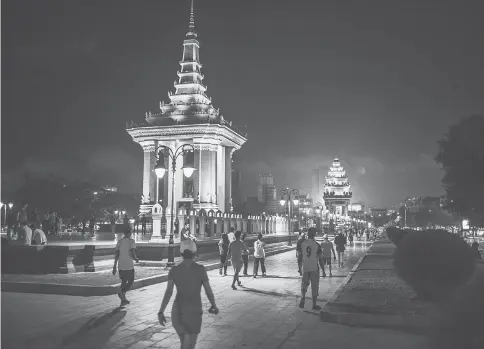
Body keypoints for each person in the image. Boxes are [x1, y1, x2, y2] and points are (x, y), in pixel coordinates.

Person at [158, 239, 219, 349]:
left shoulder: (174, 270)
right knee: (190, 345)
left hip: (178, 311)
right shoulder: (200, 269)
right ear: (194, 253)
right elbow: (208, 291)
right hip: (194, 310)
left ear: (181, 253)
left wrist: (161, 311)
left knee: (184, 343)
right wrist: (213, 305)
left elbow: (168, 292)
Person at [298, 227, 324, 310]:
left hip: (305, 267)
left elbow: (299, 256)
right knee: (315, 286)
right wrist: (323, 270)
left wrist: (299, 267)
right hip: (314, 268)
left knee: (304, 283)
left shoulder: (302, 243)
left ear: (307, 234)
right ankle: (314, 304)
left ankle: (302, 297)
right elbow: (320, 259)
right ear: (314, 234)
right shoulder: (317, 245)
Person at [112, 228, 139, 305]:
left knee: (123, 281)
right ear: (130, 233)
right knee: (131, 281)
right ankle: (122, 293)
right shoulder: (131, 241)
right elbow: (132, 253)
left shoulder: (119, 242)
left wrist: (114, 266)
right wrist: (136, 259)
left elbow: (116, 254)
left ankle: (123, 298)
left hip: (121, 265)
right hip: (129, 265)